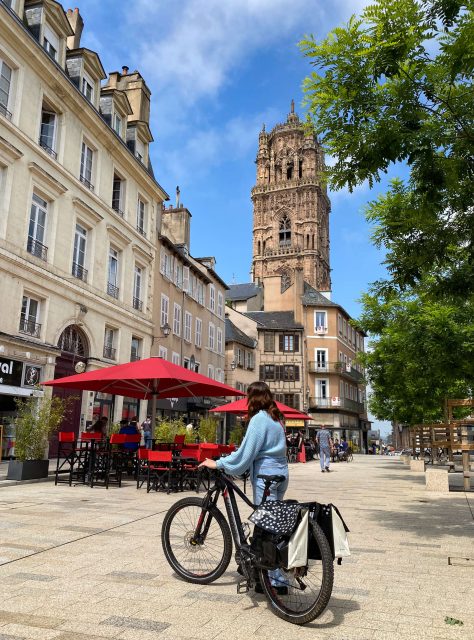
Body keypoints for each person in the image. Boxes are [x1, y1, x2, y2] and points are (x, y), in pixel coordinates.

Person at [199, 381, 288, 593]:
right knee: (270, 523)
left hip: (266, 476)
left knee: (267, 527)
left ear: (253, 398)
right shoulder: (276, 419)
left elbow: (245, 456)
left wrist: (219, 463)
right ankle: (259, 569)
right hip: (281, 474)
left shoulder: (259, 419)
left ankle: (276, 581)